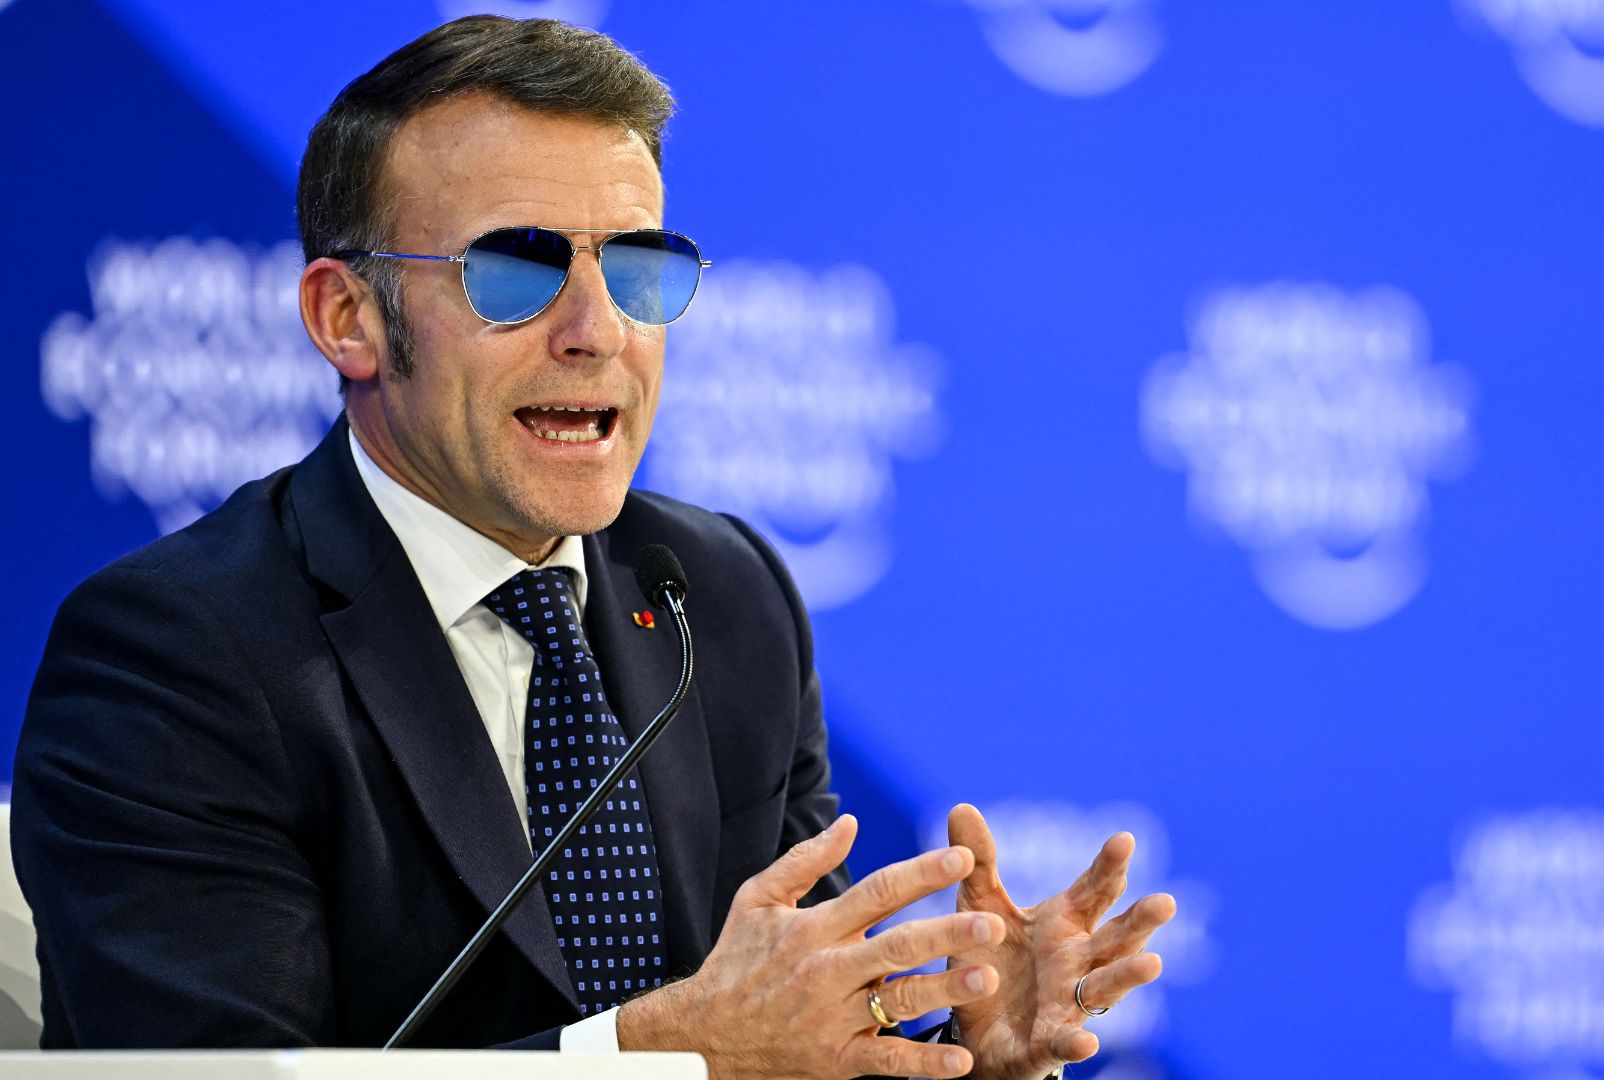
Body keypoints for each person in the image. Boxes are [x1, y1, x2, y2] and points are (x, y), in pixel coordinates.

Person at [10, 16, 1174, 1078]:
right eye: (515, 267)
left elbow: (795, 1037)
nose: (595, 330)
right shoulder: (177, 654)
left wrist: (962, 1049)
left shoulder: (723, 594)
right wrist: (657, 1055)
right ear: (348, 318)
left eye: (636, 267)